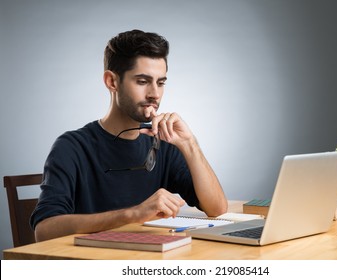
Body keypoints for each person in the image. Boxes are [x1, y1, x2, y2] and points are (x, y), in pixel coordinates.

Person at [30, 29, 228, 242]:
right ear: (112, 82)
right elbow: (44, 230)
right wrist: (133, 214)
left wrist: (190, 145)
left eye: (160, 82)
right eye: (143, 81)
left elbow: (217, 209)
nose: (155, 94)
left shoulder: (163, 143)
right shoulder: (72, 147)